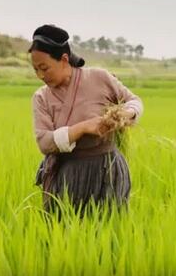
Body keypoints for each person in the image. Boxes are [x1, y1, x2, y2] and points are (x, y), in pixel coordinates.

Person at [29, 24, 143, 214]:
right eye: (35, 70)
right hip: (68, 175)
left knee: (109, 228)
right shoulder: (42, 98)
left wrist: (126, 114)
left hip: (108, 170)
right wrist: (82, 128)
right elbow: (44, 142)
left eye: (44, 68)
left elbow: (134, 101)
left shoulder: (99, 77)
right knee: (66, 230)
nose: (40, 75)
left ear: (64, 59)